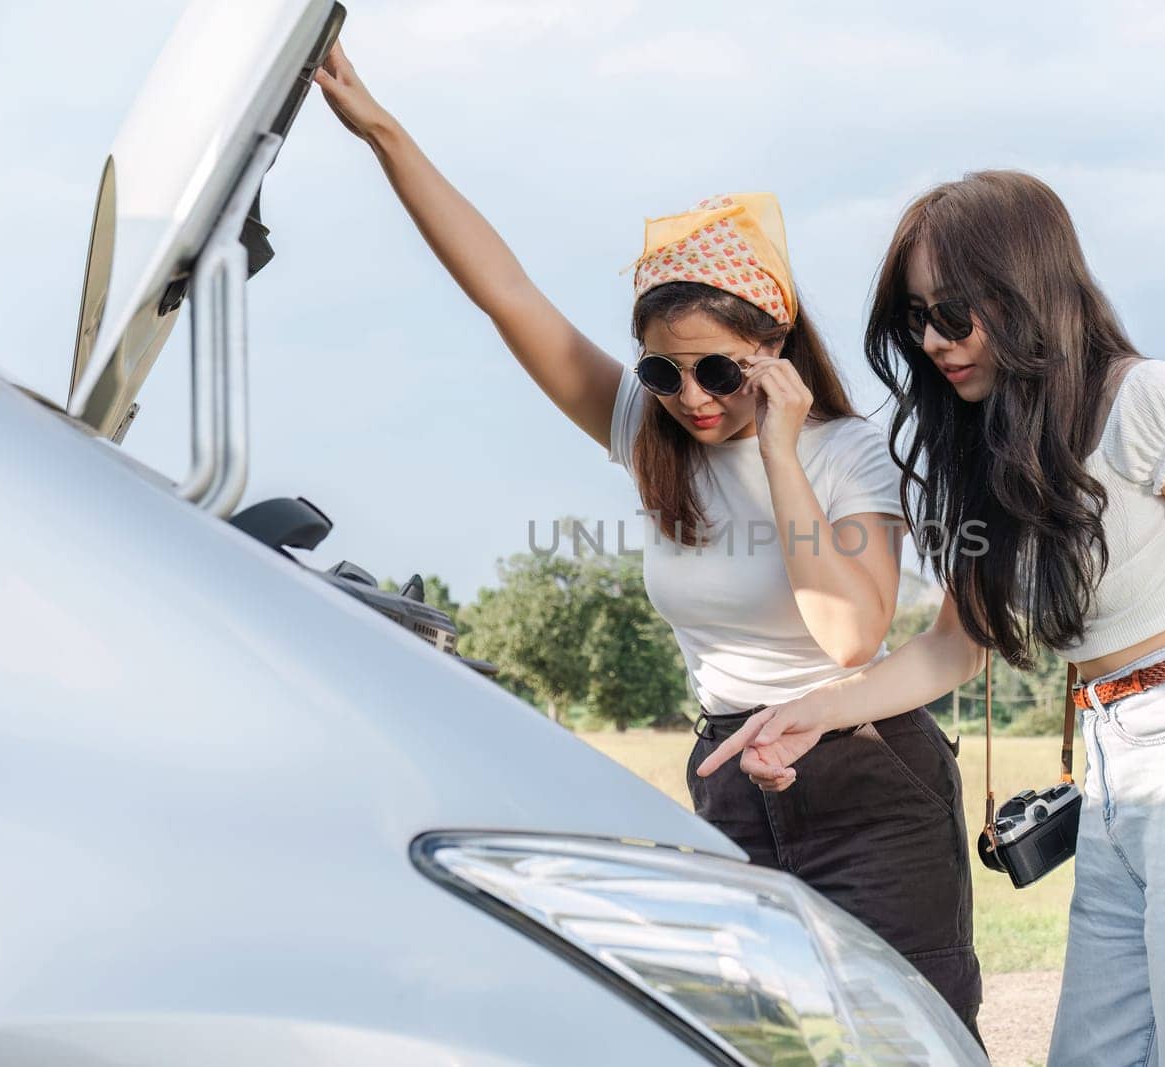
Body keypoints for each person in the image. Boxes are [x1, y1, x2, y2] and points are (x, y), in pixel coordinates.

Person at [313, 43, 984, 1034]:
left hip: (865, 772)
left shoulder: (847, 450)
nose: (690, 400)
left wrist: (784, 455)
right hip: (728, 773)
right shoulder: (651, 434)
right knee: (758, 1044)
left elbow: (850, 636)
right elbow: (507, 294)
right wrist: (383, 132)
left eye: (717, 371)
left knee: (908, 1035)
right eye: (662, 374)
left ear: (774, 348)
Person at [698, 170, 1165, 1066]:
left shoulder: (1148, 399)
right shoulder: (990, 453)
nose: (935, 342)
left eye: (956, 312)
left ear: (1028, 288)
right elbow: (952, 646)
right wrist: (809, 711)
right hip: (1112, 763)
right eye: (916, 318)